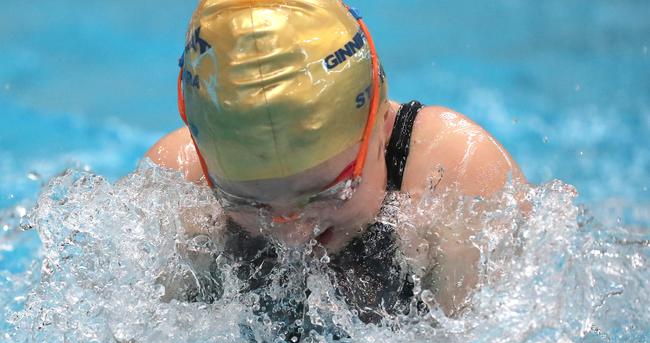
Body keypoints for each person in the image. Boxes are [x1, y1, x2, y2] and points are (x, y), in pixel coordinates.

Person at [147, 0, 525, 325]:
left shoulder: (456, 180)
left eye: (327, 192)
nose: (292, 236)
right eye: (247, 202)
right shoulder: (180, 188)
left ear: (378, 123)